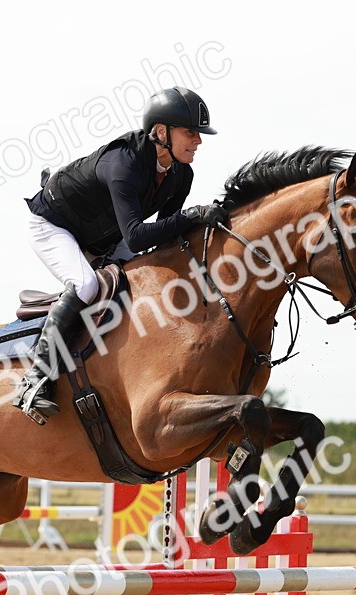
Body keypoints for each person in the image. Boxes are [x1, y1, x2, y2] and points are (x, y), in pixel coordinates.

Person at [16, 86, 228, 424]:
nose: (198, 140)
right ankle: (35, 379)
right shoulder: (124, 163)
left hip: (107, 235)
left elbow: (164, 237)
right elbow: (138, 236)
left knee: (142, 279)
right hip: (53, 225)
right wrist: (191, 216)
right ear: (162, 133)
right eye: (190, 132)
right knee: (86, 285)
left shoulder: (181, 174)